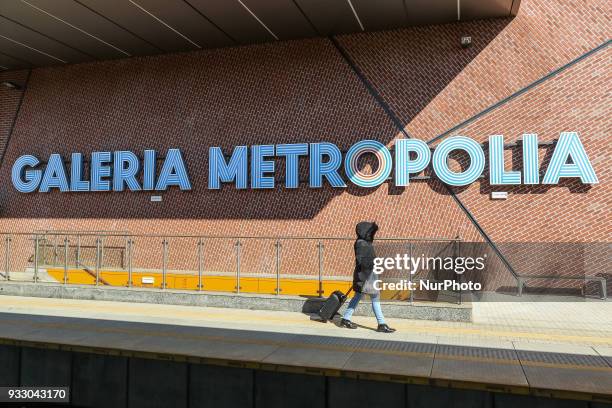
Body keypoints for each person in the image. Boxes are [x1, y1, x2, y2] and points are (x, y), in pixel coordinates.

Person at [340, 221, 396, 333]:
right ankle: (381, 324)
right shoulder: (361, 243)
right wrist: (375, 262)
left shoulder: (363, 242)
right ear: (365, 232)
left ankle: (345, 319)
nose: (372, 234)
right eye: (370, 232)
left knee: (358, 297)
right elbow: (362, 261)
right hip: (367, 276)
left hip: (367, 275)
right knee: (375, 297)